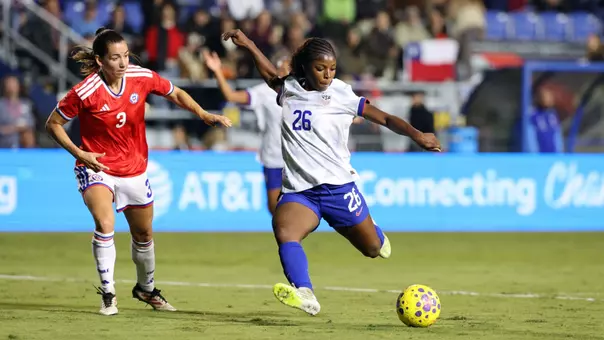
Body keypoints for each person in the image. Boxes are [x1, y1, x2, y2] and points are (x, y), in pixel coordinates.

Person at [222, 29, 440, 315]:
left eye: (332, 68)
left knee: (373, 249)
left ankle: (374, 233)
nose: (327, 74)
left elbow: (384, 117)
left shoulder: (341, 94)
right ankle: (305, 293)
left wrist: (416, 134)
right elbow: (270, 76)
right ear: (305, 68)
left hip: (339, 189)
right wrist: (249, 44)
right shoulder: (289, 89)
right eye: (320, 68)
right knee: (284, 229)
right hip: (302, 192)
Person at [45, 27, 231, 316]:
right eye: (115, 58)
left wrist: (202, 113)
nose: (122, 63)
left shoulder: (140, 77)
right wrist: (80, 153)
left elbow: (175, 93)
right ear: (100, 61)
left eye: (126, 56)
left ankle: (146, 288)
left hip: (133, 169)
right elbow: (53, 124)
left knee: (143, 233)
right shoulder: (85, 92)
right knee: (105, 224)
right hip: (97, 167)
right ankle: (108, 294)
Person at [203, 50, 289, 215]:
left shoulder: (303, 90)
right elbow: (231, 96)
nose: (284, 71)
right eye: (281, 67)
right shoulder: (264, 91)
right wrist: (218, 71)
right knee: (275, 209)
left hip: (297, 159)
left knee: (297, 208)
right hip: (273, 157)